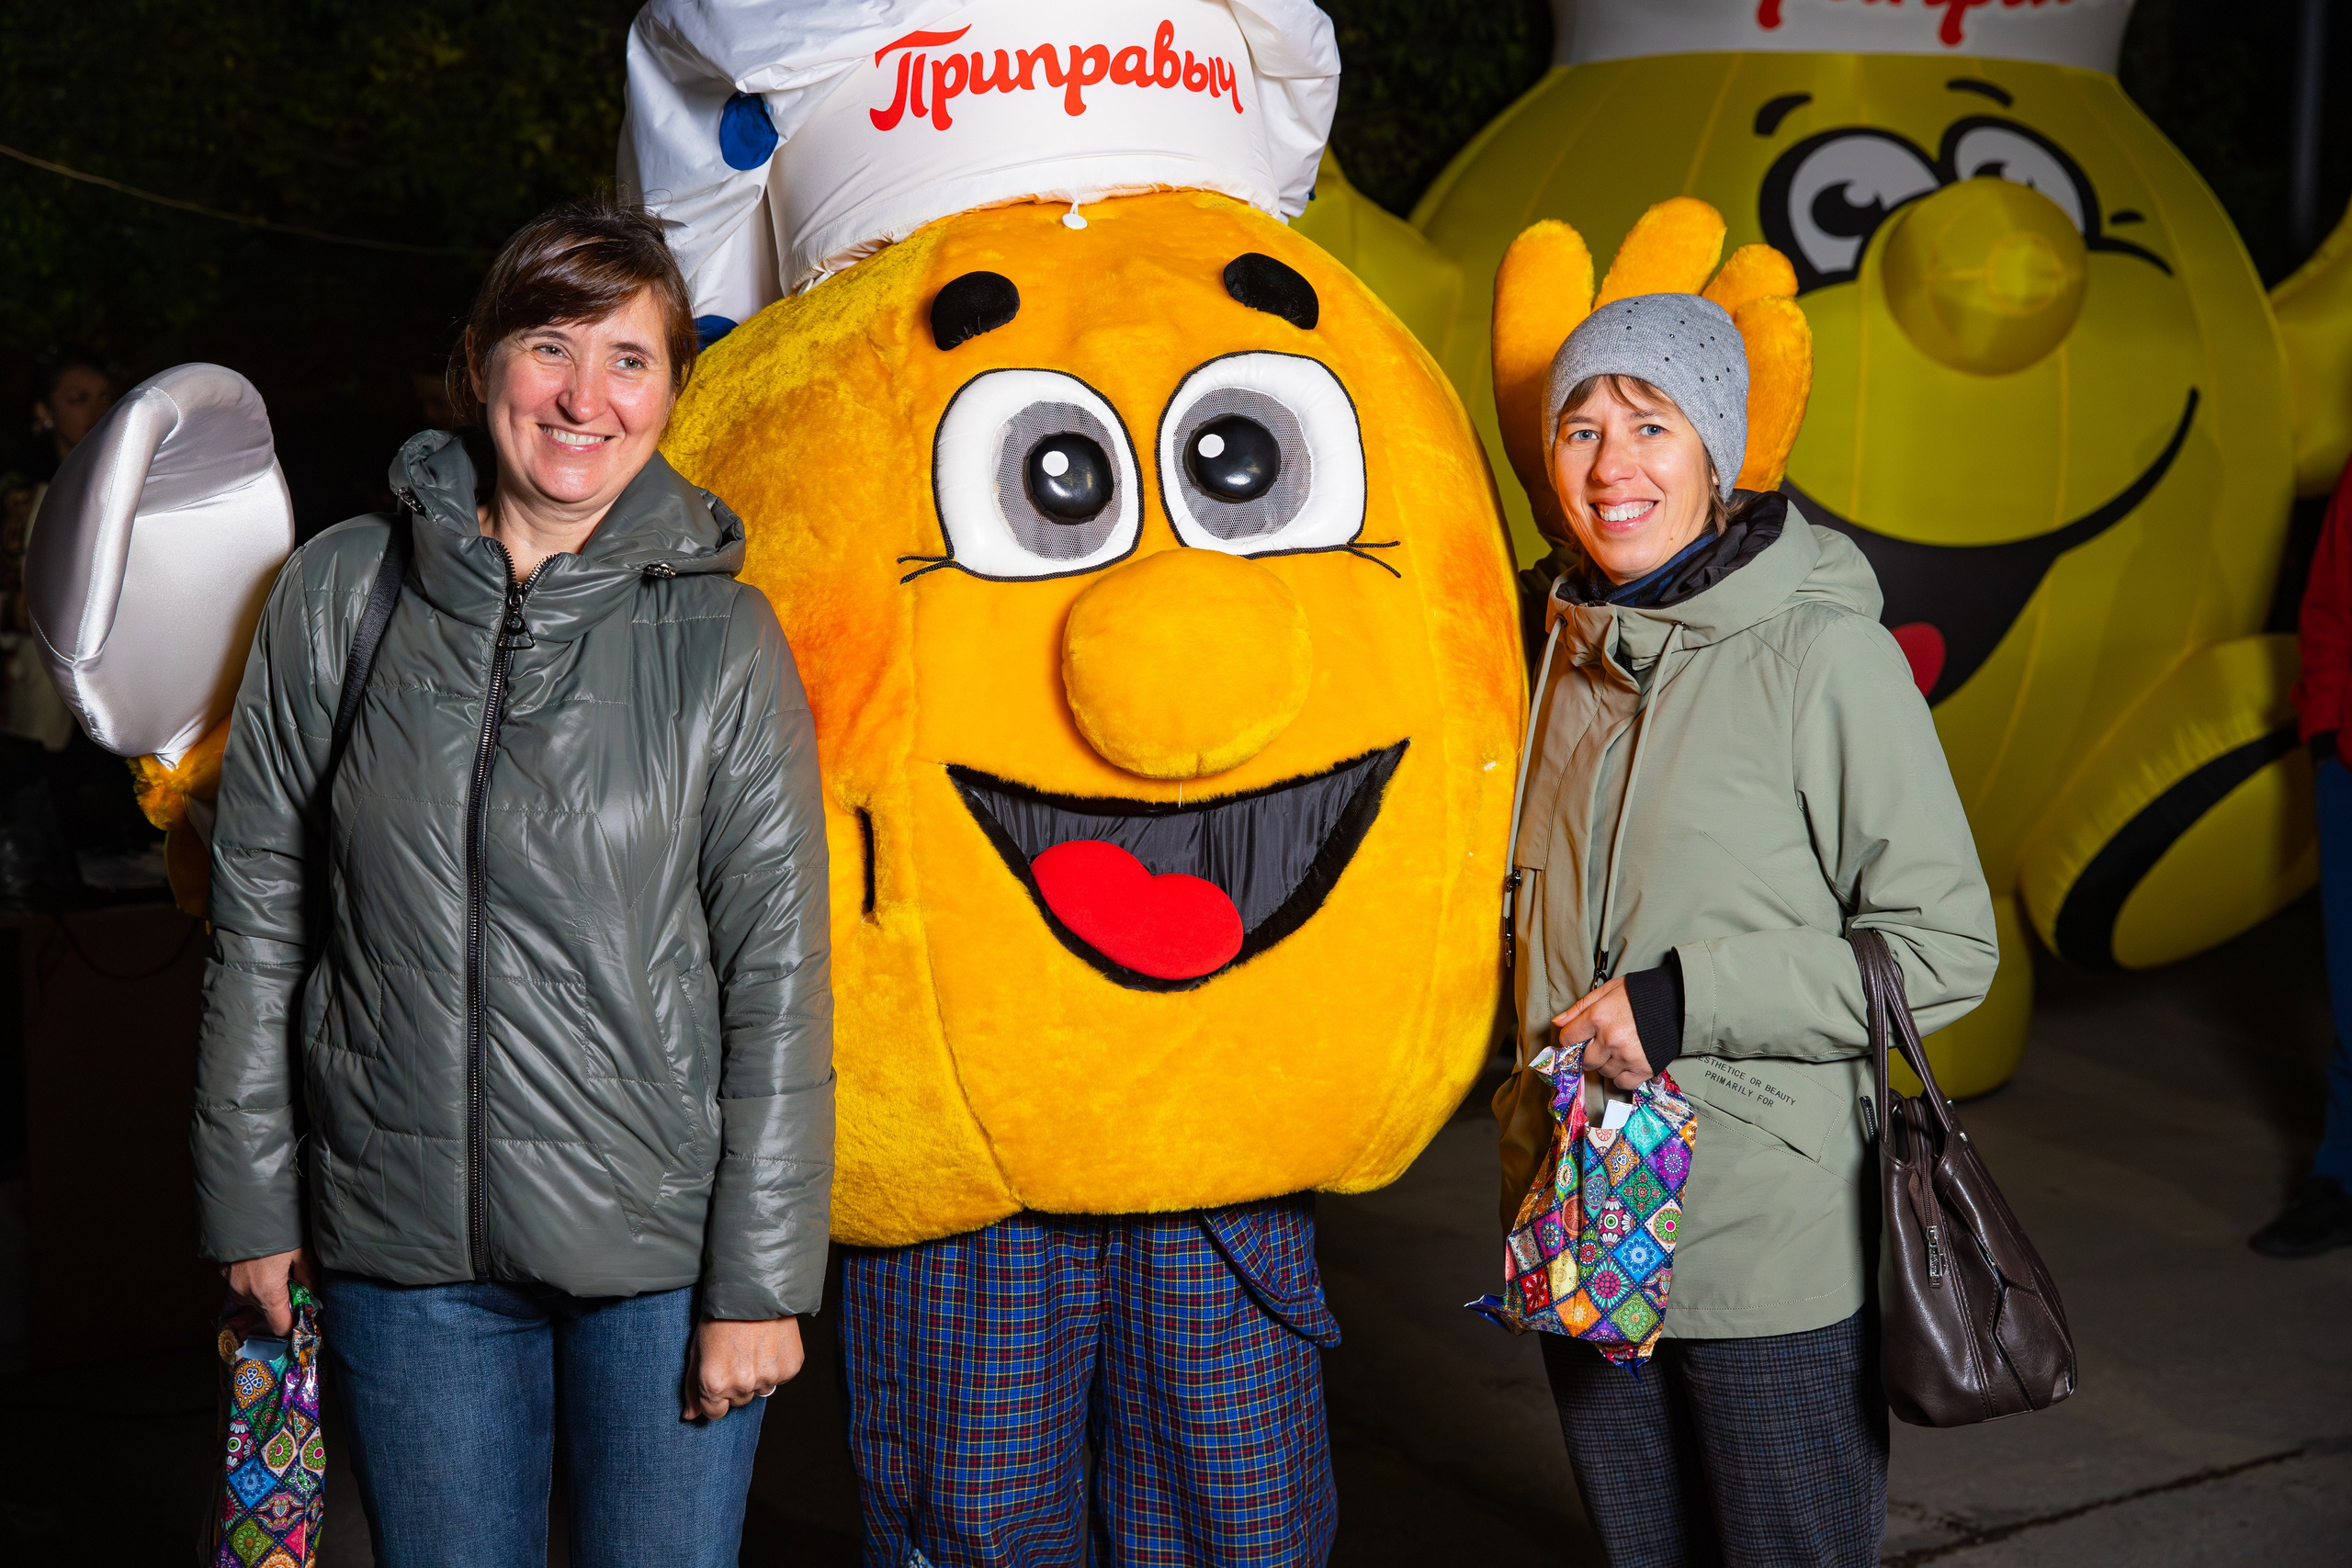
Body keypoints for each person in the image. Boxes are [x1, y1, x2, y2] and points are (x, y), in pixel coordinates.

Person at [191, 198, 834, 1567]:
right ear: (480, 360)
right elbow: (259, 917)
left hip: (659, 1269)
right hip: (403, 1254)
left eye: (630, 357)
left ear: (670, 389)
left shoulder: (721, 635)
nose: (585, 395)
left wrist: (761, 1280)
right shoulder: (340, 593)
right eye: (551, 344)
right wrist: (251, 1200)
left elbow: (777, 972)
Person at [1505, 295, 1997, 1566]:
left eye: (1651, 424)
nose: (1612, 465)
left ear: (1716, 456)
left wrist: (1679, 1000)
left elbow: (1947, 945)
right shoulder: (1558, 647)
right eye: (1580, 427)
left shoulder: (1822, 654)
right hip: (1585, 1197)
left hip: (1766, 1223)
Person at [2269, 450, 2352, 1257]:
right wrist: (2325, 731)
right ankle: (2339, 1180)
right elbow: (2328, 605)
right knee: (2351, 997)